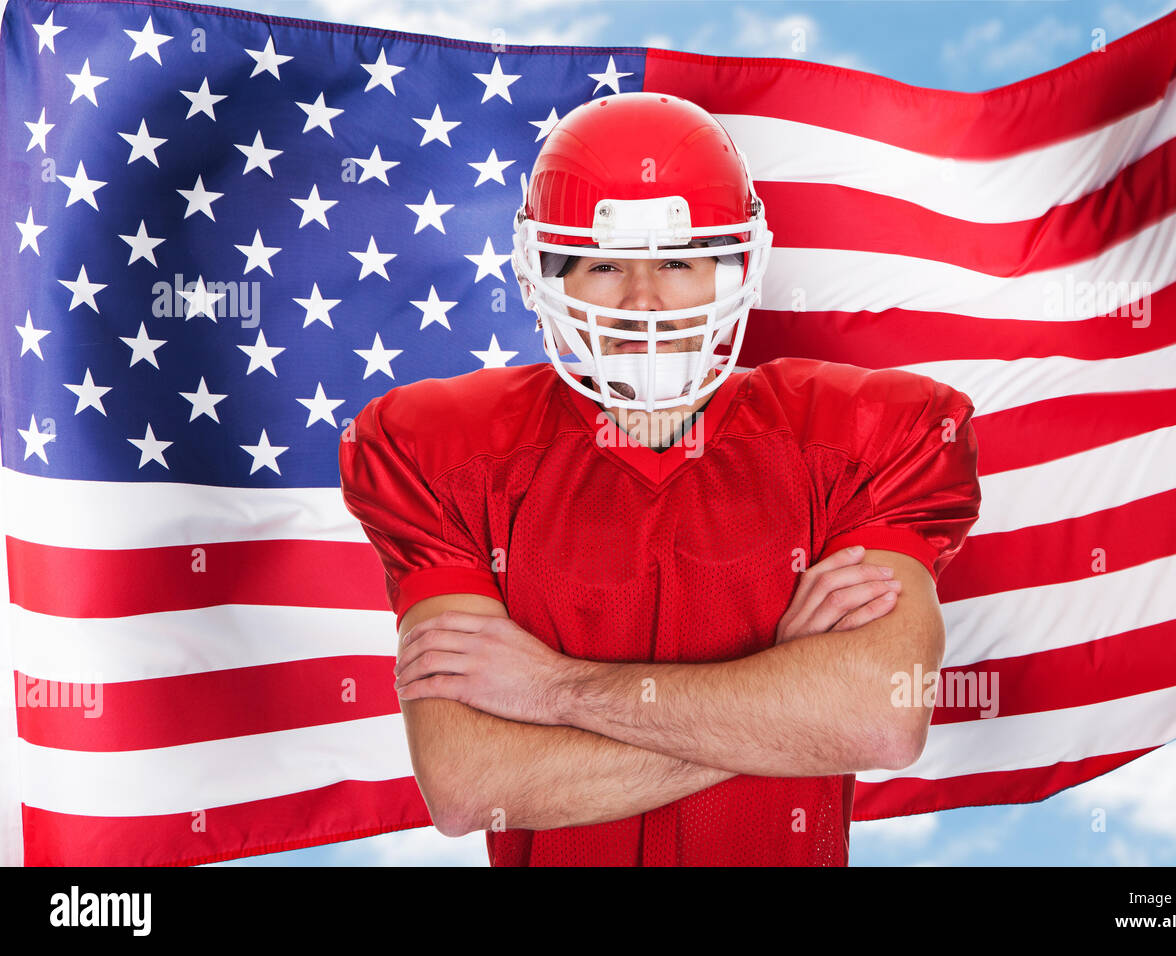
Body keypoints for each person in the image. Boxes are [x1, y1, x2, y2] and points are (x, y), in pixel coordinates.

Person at [338, 92, 981, 866]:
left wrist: (551, 690)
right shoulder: (442, 451)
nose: (643, 300)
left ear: (735, 263)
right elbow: (467, 782)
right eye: (606, 264)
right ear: (545, 274)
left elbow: (881, 719)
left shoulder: (867, 432)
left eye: (678, 262)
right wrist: (782, 702)